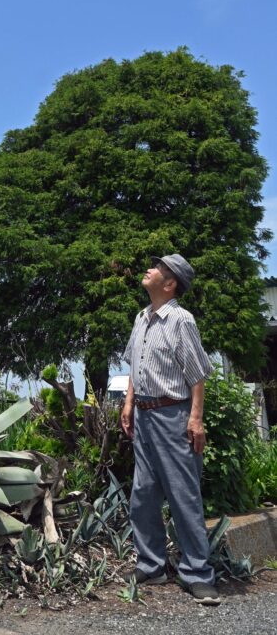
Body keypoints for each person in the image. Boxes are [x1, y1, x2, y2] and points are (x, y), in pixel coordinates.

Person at [121, 254, 219, 605]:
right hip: (144, 417)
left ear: (170, 282)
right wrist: (129, 403)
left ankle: (197, 573)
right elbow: (135, 364)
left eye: (158, 268)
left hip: (173, 416)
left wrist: (195, 419)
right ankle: (152, 564)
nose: (149, 268)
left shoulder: (181, 320)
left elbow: (197, 374)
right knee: (143, 494)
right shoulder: (141, 318)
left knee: (183, 496)